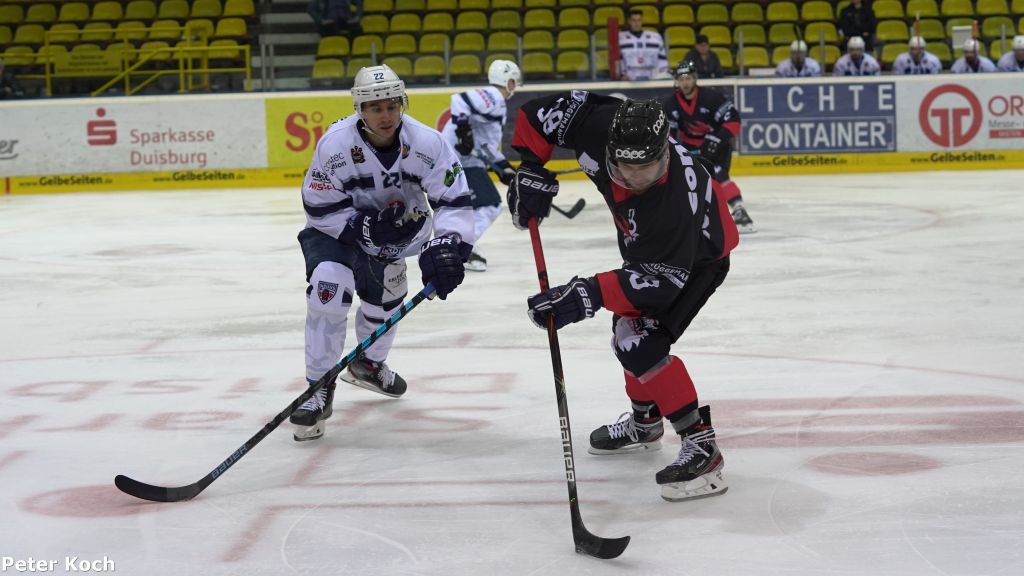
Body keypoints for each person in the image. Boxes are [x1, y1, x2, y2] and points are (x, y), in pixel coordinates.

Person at [505, 93, 739, 501]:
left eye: (644, 168)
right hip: (648, 251)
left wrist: (584, 294)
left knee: (640, 339)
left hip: (697, 259)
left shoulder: (672, 205)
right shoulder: (597, 126)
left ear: (664, 154)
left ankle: (704, 448)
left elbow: (662, 281)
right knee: (626, 330)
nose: (632, 178)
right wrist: (530, 168)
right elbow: (536, 114)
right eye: (624, 167)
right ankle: (646, 424)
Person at [292, 64, 474, 441]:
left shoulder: (428, 144)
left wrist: (449, 246)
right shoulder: (335, 145)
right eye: (376, 107)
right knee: (330, 288)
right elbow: (319, 207)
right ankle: (317, 387)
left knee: (387, 301)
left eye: (392, 105)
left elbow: (454, 201)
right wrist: (363, 228)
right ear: (360, 109)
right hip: (336, 234)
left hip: (398, 234)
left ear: (402, 103)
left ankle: (368, 365)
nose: (386, 115)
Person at [440, 59, 522, 272]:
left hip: (461, 158)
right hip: (458, 159)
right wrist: (463, 130)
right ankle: (459, 246)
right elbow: (459, 100)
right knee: (490, 205)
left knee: (473, 207)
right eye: (514, 81)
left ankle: (458, 244)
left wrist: (504, 168)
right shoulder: (495, 97)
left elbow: (487, 145)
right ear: (509, 81)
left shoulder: (496, 106)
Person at [663, 60, 755, 234]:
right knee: (681, 180)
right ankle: (682, 217)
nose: (685, 82)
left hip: (716, 145)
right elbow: (670, 134)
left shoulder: (711, 98)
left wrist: (716, 138)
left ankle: (739, 209)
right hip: (690, 148)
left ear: (695, 79)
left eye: (688, 78)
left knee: (718, 174)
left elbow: (734, 121)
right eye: (681, 79)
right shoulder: (671, 104)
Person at [618, 8, 669, 81]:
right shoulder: (621, 39)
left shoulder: (655, 37)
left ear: (642, 21)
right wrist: (622, 75)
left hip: (652, 77)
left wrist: (662, 74)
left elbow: (662, 60)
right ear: (629, 21)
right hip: (630, 78)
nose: (636, 23)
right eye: (633, 20)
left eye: (639, 20)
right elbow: (619, 60)